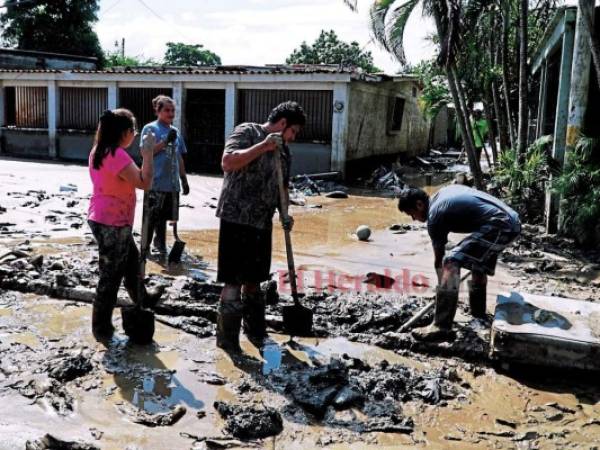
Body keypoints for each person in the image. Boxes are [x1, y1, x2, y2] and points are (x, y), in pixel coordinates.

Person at [215, 101, 306, 352]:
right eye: (293, 132)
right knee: (233, 282)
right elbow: (228, 162)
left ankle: (256, 333)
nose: (293, 138)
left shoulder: (285, 152)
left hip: (261, 223)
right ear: (283, 123)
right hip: (235, 218)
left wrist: (285, 213)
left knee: (255, 281)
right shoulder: (247, 132)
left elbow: (282, 187)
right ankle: (228, 340)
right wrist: (264, 146)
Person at [397, 185, 521, 341]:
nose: (413, 219)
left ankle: (441, 326)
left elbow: (440, 260)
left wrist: (443, 291)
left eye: (411, 214)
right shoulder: (442, 194)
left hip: (500, 225)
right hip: (512, 221)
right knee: (477, 263)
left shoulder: (434, 215)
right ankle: (478, 314)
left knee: (450, 260)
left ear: (419, 205)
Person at [88, 109, 163, 342]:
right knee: (110, 276)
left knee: (131, 263)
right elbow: (144, 182)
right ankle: (102, 327)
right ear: (125, 133)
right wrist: (148, 154)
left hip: (103, 217)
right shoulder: (117, 155)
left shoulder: (99, 151)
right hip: (113, 222)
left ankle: (144, 298)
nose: (135, 134)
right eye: (134, 130)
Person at [140, 95, 190, 255]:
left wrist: (184, 179)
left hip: (172, 184)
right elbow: (146, 153)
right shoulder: (150, 129)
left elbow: (178, 156)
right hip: (155, 182)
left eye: (173, 110)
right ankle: (144, 249)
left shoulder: (175, 131)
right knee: (151, 218)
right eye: (167, 110)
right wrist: (165, 142)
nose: (171, 113)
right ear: (158, 111)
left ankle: (160, 246)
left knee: (166, 217)